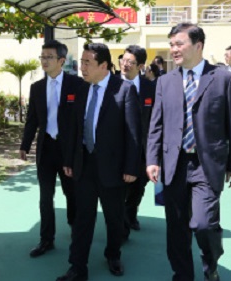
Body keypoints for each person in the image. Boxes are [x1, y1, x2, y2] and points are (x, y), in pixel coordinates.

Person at [146, 23, 231, 281]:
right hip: (174, 163)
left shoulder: (223, 79)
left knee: (203, 224)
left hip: (207, 164)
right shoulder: (165, 82)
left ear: (198, 45)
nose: (174, 49)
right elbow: (156, 124)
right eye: (171, 45)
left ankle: (211, 264)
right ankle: (182, 275)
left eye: (179, 44)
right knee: (176, 227)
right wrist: (152, 159)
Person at [57, 43, 141, 281]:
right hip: (84, 164)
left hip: (113, 167)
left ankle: (113, 254)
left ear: (104, 65)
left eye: (87, 63)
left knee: (114, 217)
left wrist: (131, 167)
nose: (81, 67)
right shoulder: (81, 89)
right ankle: (77, 267)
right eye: (81, 62)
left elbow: (133, 133)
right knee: (83, 218)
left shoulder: (124, 90)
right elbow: (74, 128)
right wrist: (69, 160)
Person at [20, 40, 81, 259]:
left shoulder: (76, 84)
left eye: (49, 57)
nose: (44, 61)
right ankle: (46, 239)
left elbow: (80, 120)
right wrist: (25, 145)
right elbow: (32, 120)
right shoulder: (36, 88)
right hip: (46, 149)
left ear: (61, 61)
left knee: (71, 193)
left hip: (68, 151)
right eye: (42, 57)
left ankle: (76, 231)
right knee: (45, 197)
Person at [120, 45, 156, 236]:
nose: (125, 65)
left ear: (141, 66)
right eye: (123, 60)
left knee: (139, 185)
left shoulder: (151, 88)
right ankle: (121, 223)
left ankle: (131, 213)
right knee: (120, 188)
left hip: (143, 148)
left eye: (130, 62)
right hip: (118, 148)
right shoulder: (111, 85)